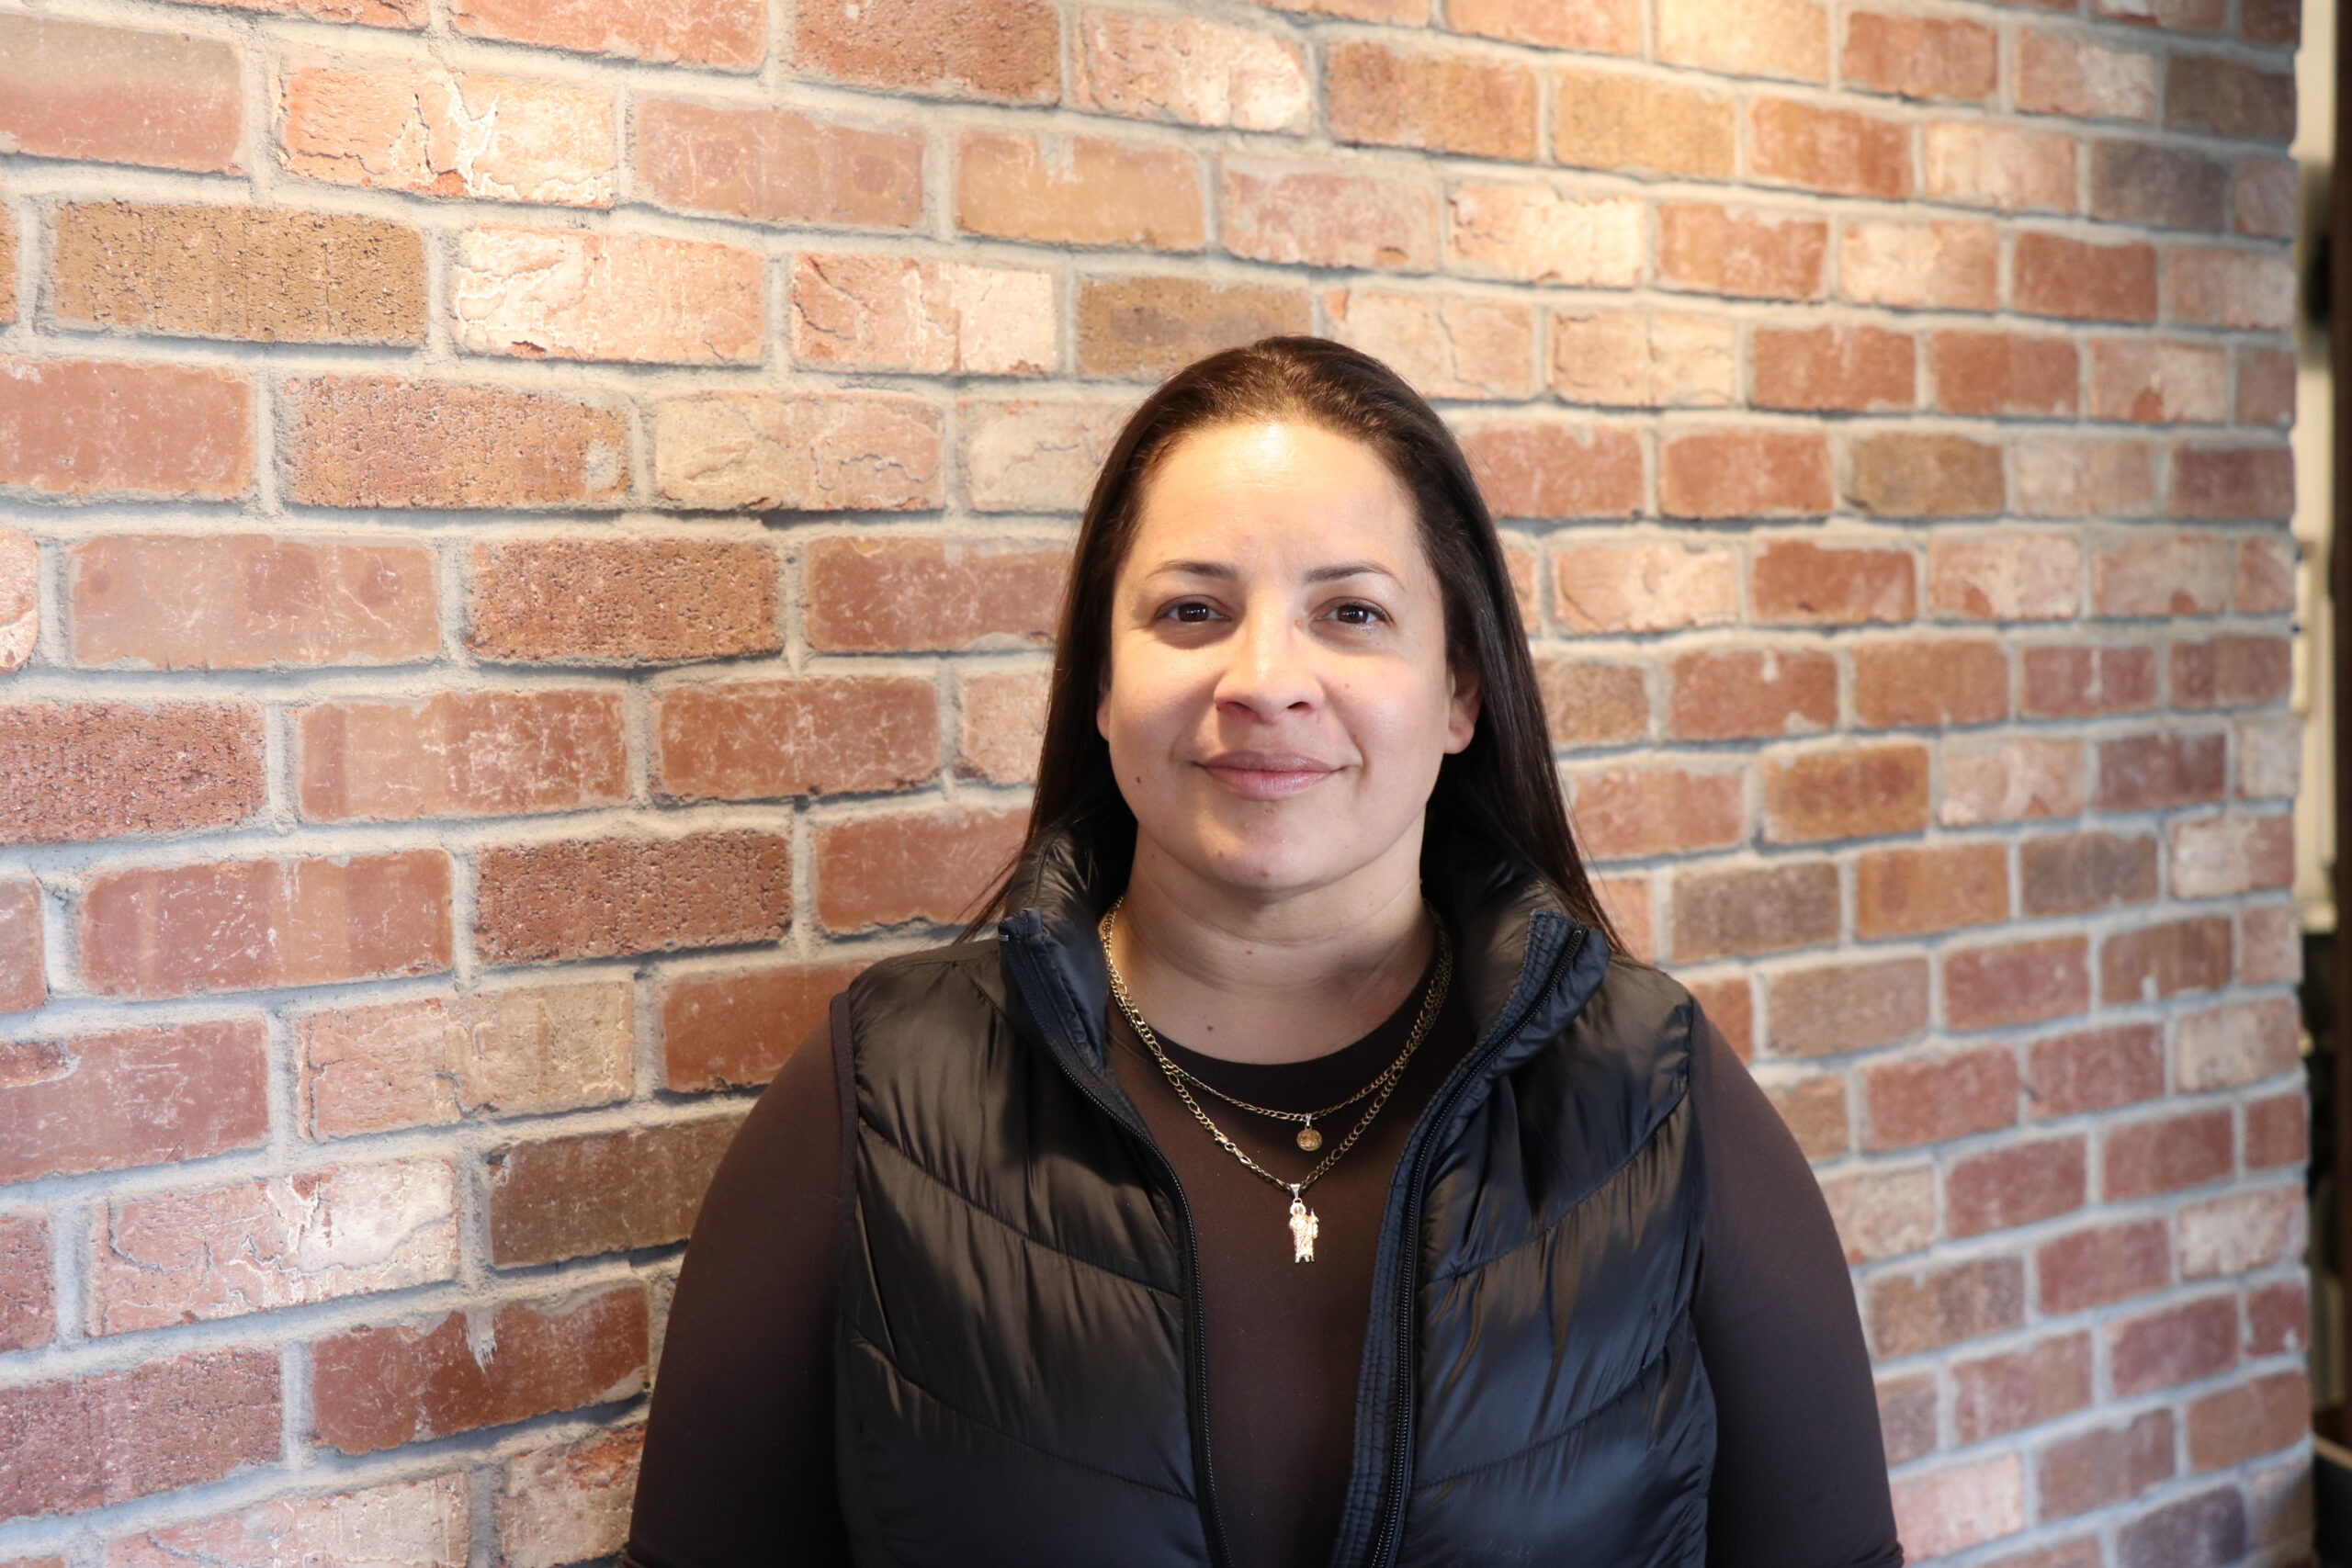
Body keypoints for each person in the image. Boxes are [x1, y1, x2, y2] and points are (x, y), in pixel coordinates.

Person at [621, 337, 1905, 1567]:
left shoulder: (1655, 1102)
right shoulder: (877, 1097)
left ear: (1460, 690)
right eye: (1192, 611)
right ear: (1104, 690)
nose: (1267, 679)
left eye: (1350, 611)